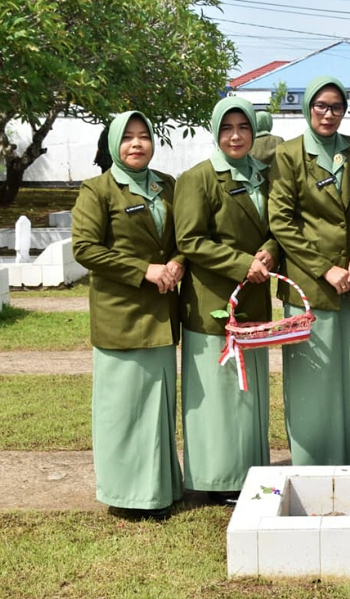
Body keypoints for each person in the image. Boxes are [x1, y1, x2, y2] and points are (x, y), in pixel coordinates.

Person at [72, 111, 182, 519]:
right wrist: (144, 271)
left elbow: (182, 237)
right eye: (128, 138)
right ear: (114, 144)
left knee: (156, 408)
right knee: (123, 409)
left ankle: (159, 489)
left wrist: (178, 261)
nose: (136, 144)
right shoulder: (98, 189)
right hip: (121, 315)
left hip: (162, 313)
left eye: (144, 136)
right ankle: (125, 495)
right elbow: (84, 248)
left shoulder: (166, 186)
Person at [174, 97, 279, 503]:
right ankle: (213, 480)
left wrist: (269, 251)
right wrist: (242, 264)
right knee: (218, 395)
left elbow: (277, 224)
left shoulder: (264, 175)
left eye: (243, 128)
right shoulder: (198, 178)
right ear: (216, 133)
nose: (236, 136)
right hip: (212, 302)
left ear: (254, 132)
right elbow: (190, 240)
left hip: (254, 299)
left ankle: (248, 473)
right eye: (227, 129)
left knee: (248, 391)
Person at [268, 76, 350, 465]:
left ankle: (347, 457)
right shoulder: (289, 154)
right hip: (308, 284)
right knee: (311, 378)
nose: (329, 115)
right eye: (321, 106)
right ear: (307, 107)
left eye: (337, 107)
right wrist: (325, 268)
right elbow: (281, 222)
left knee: (346, 377)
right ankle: (311, 460)